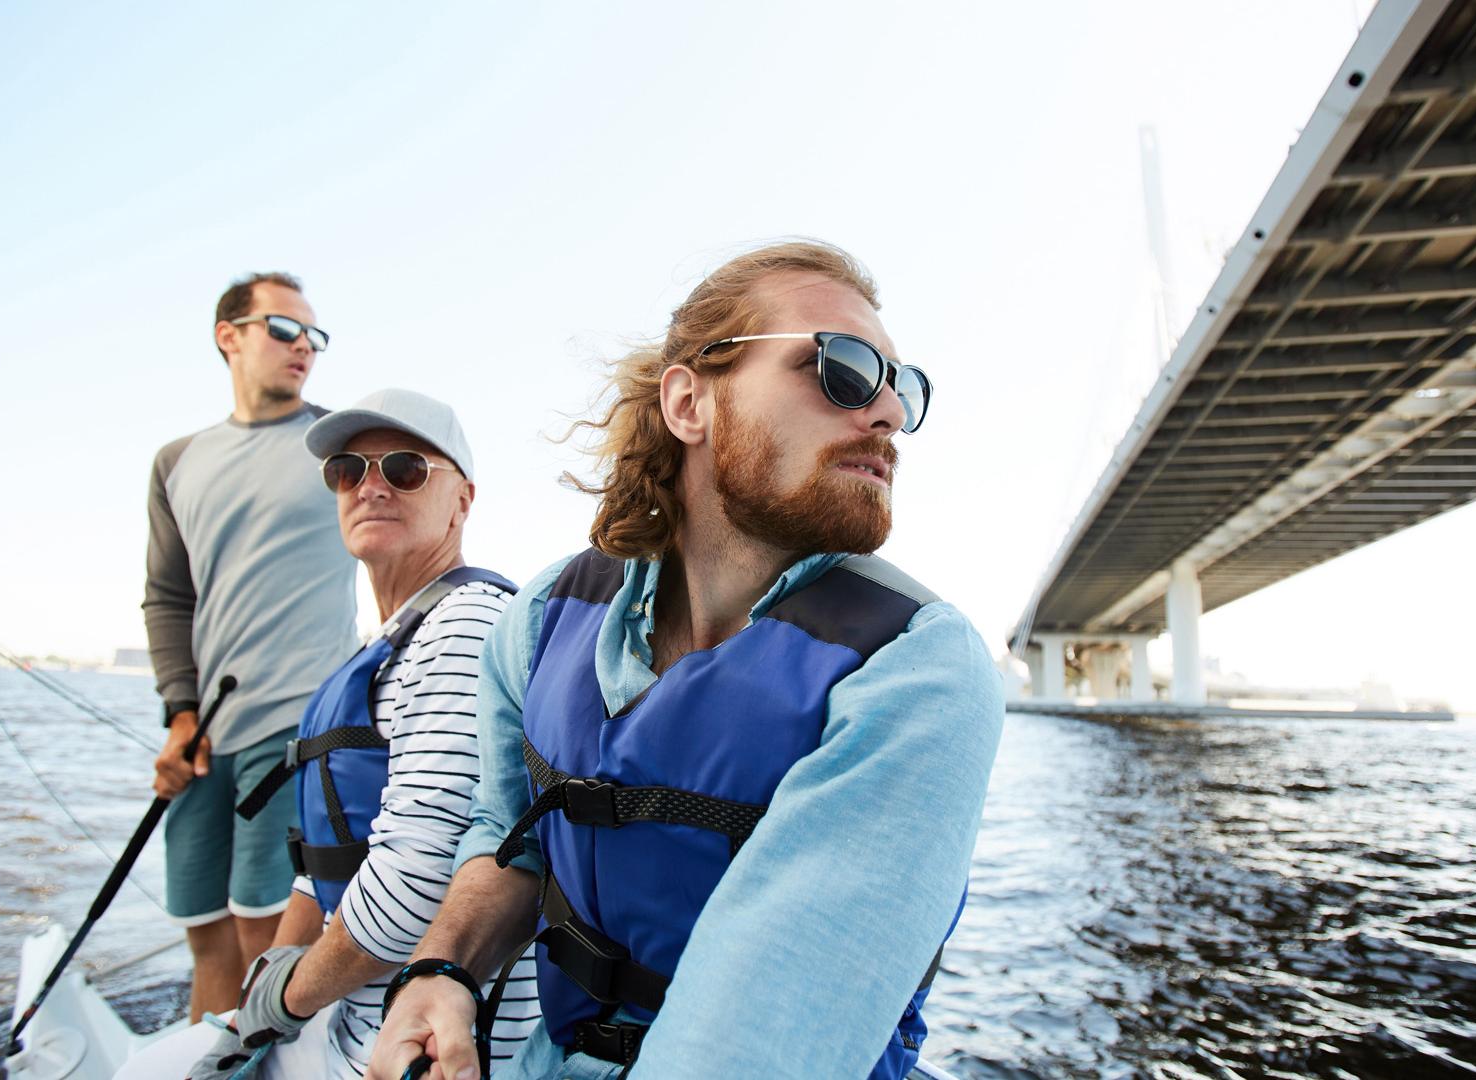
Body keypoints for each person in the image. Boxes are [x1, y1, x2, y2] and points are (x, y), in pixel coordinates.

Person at [368, 241, 1004, 1079]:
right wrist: (442, 969)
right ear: (688, 402)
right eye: (843, 367)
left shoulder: (917, 671)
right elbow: (508, 835)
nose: (887, 412)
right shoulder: (542, 618)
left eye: (903, 386)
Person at [118, 389, 541, 1080]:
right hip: (347, 1018)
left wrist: (279, 1004)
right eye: (348, 470)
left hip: (415, 1047)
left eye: (404, 468)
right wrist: (257, 999)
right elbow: (319, 867)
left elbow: (414, 887)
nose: (369, 486)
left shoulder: (464, 628)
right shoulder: (387, 644)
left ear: (462, 499)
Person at [144, 272, 360, 1021]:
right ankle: (205, 1057)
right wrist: (178, 714)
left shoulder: (344, 448)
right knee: (204, 931)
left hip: (299, 724)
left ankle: (254, 1058)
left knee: (261, 929)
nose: (304, 345)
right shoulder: (176, 461)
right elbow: (169, 599)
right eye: (283, 328)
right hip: (204, 735)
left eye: (314, 336)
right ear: (228, 335)